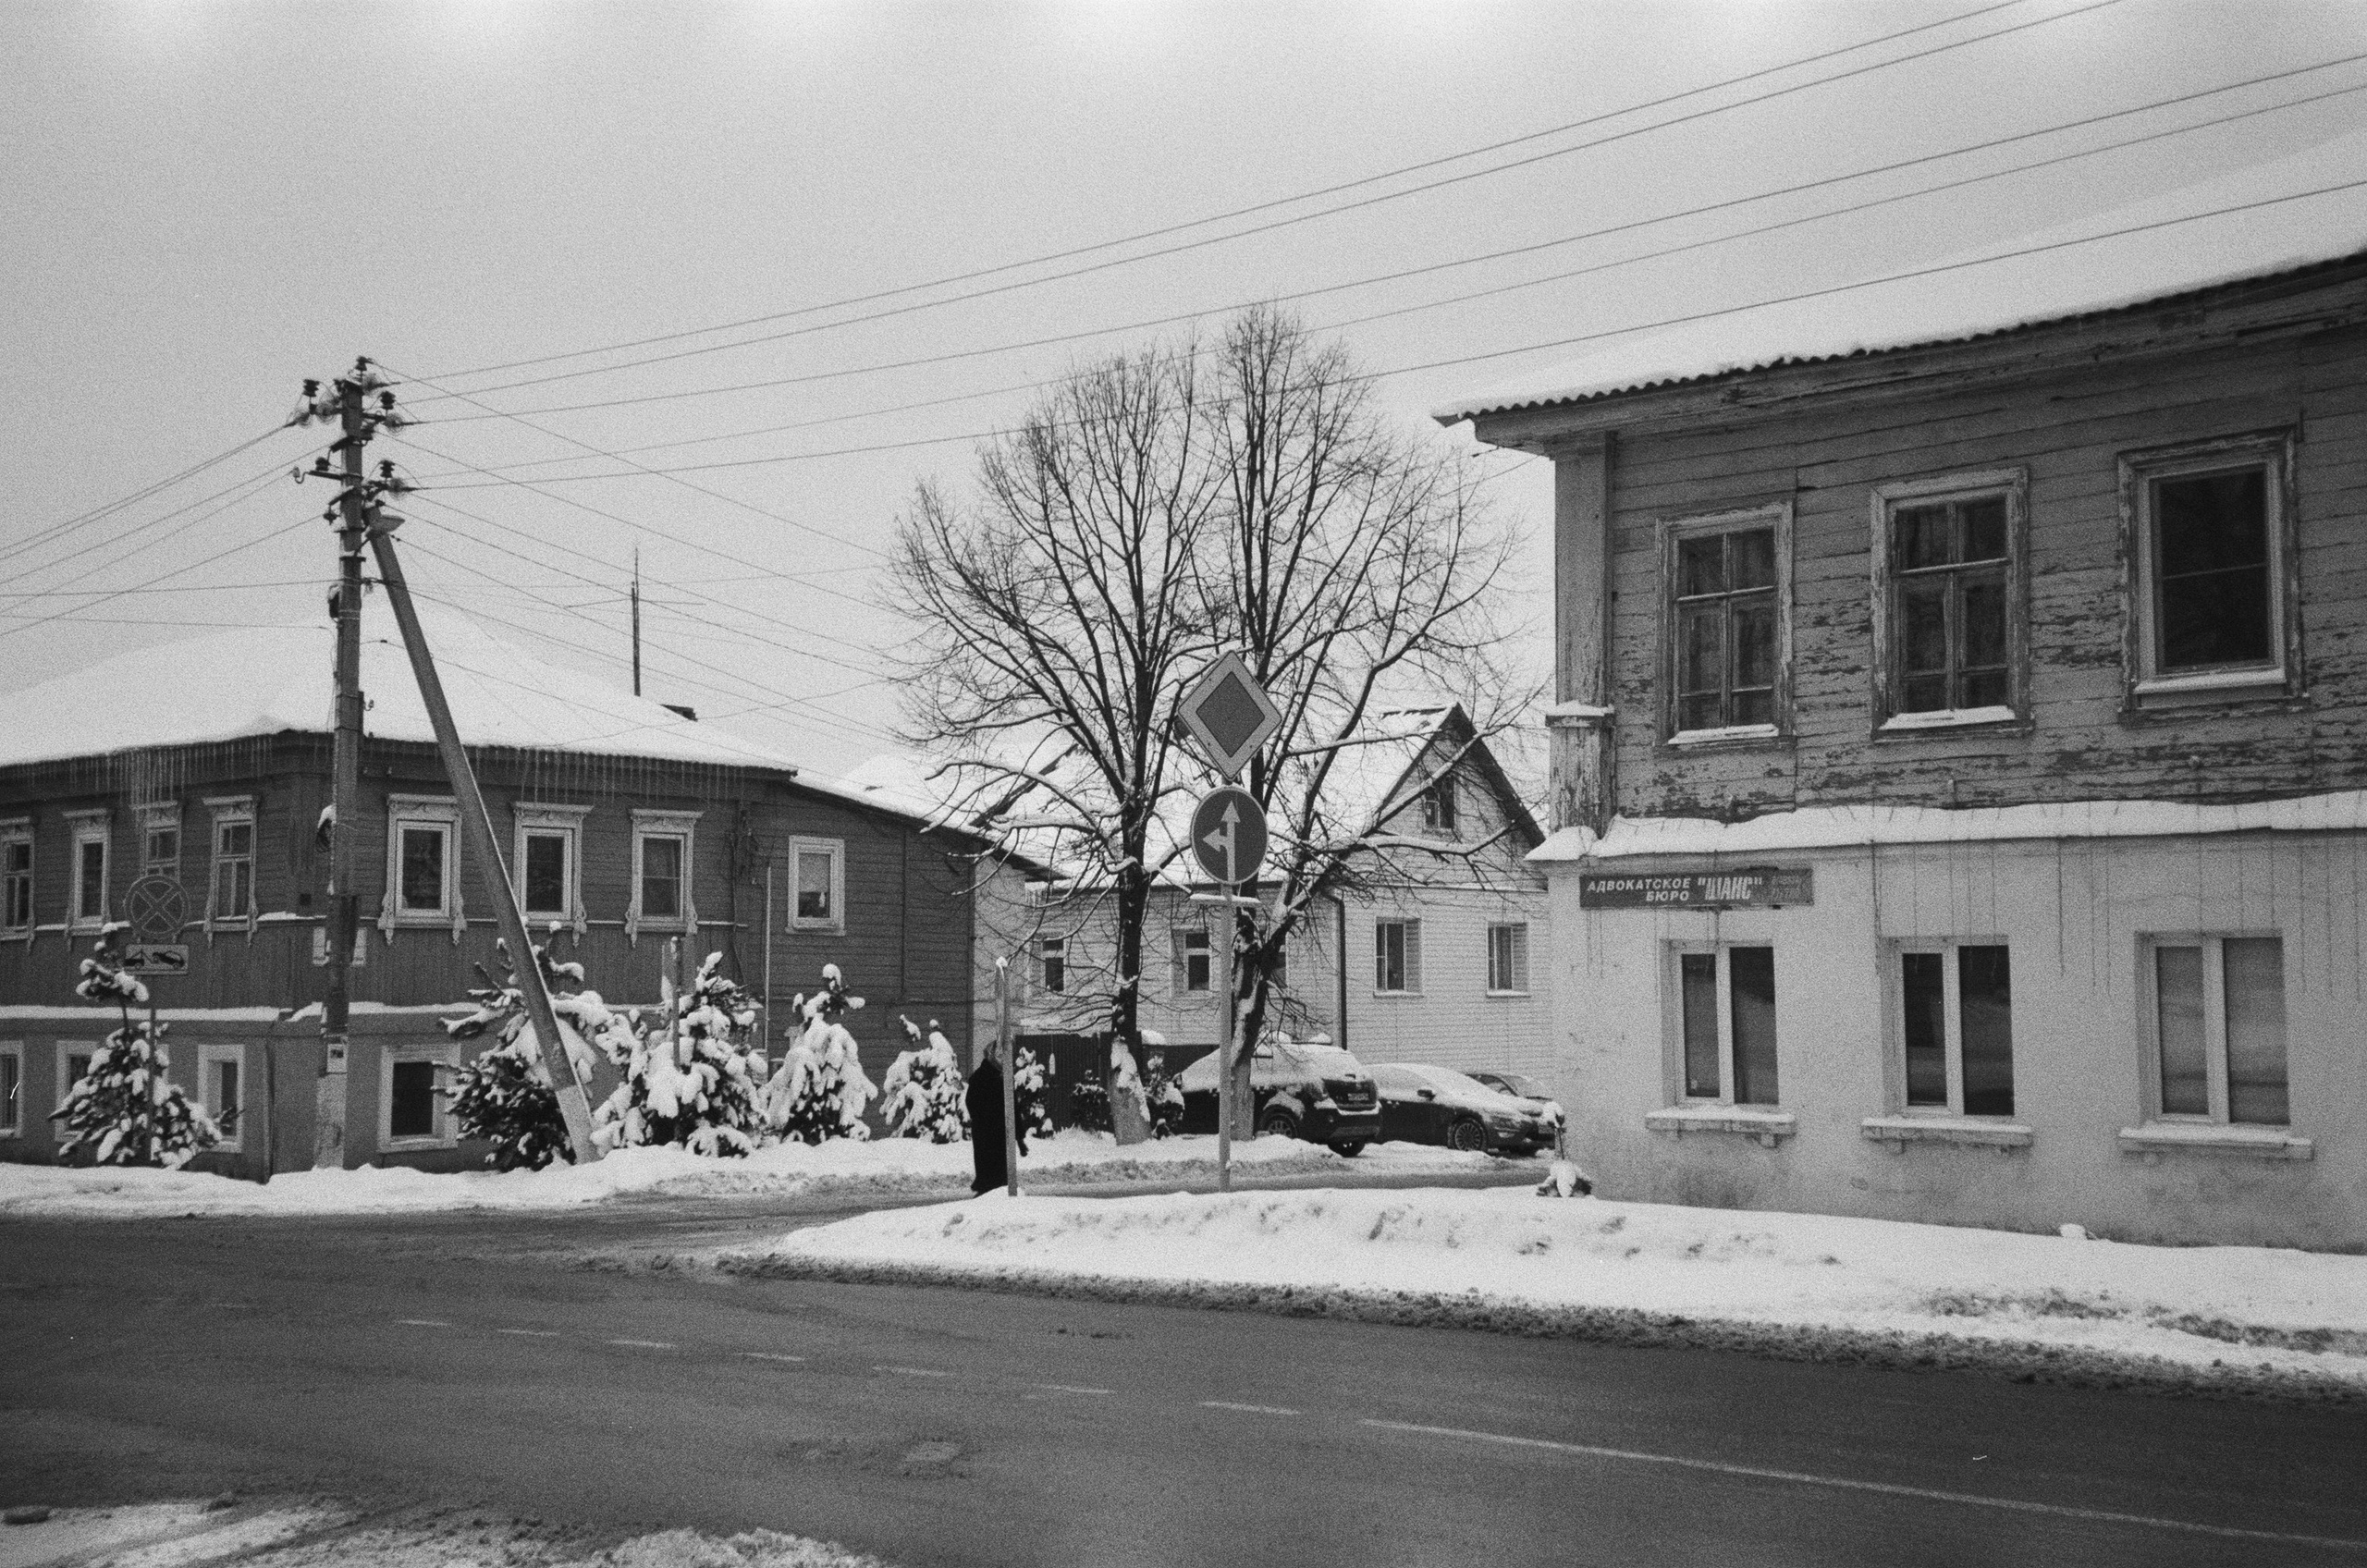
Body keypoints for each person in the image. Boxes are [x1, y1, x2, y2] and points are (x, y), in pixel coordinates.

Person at [965, 1046, 1023, 1195]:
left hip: (1002, 1133)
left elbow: (1014, 1108)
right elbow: (972, 1104)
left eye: (1004, 1055)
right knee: (988, 1171)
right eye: (999, 1055)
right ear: (990, 1056)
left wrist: (1020, 1138)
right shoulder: (980, 1077)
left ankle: (999, 1197)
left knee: (1001, 1174)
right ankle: (986, 1197)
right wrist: (988, 1121)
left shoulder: (1004, 1078)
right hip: (986, 1133)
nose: (1002, 1059)